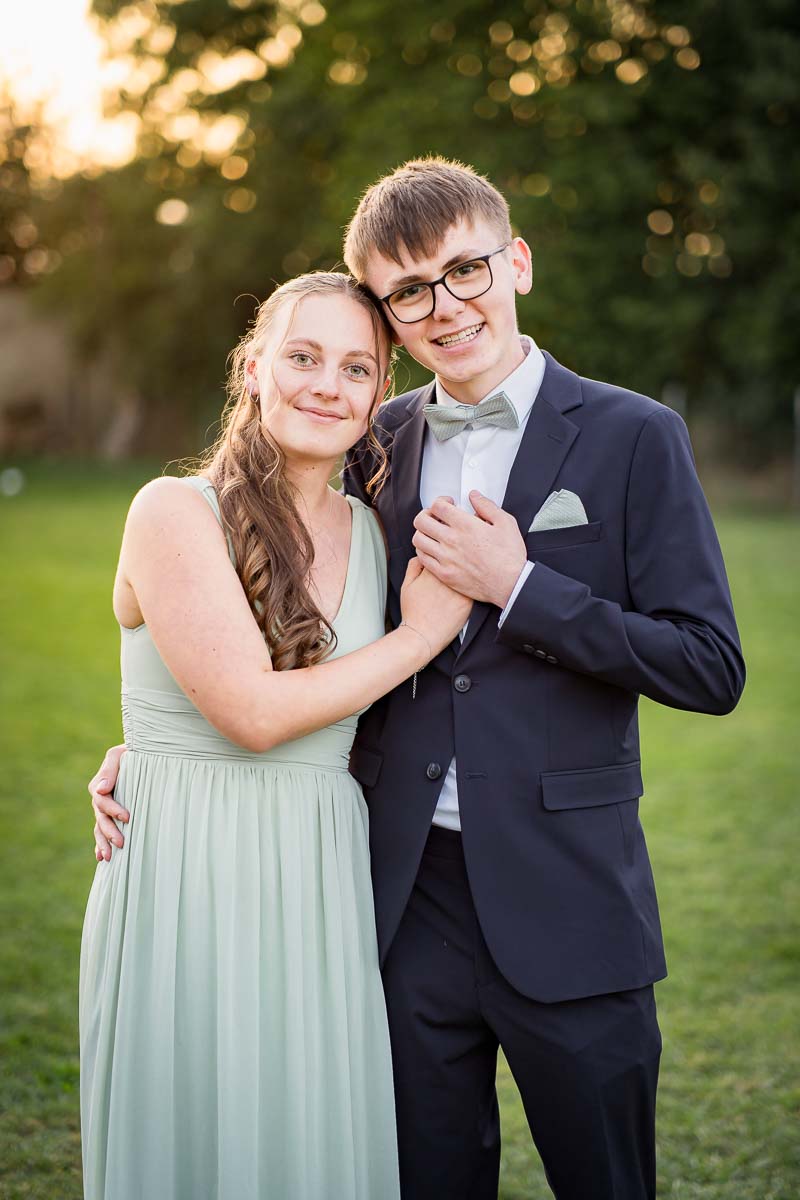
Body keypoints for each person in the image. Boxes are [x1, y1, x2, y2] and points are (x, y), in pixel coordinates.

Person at [90, 159, 746, 1200]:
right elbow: (274, 621)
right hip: (395, 896)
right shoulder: (370, 441)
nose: (445, 306)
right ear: (388, 319)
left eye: (464, 271)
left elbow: (708, 665)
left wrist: (520, 588)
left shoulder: (633, 436)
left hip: (570, 893)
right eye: (409, 291)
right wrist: (161, 745)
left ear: (514, 262)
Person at [79, 269, 472, 1200]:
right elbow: (252, 715)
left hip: (320, 874)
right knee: (194, 1138)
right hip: (187, 869)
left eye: (355, 369)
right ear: (253, 368)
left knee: (306, 1142)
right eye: (302, 357)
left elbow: (376, 714)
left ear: (380, 395)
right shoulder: (173, 511)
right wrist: (421, 636)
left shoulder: (377, 533)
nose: (327, 386)